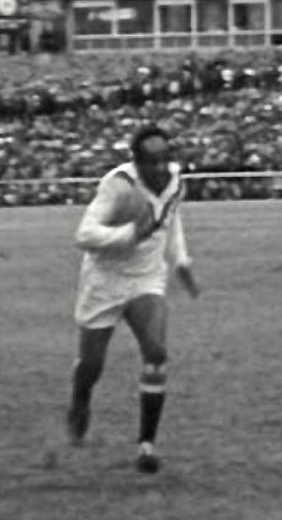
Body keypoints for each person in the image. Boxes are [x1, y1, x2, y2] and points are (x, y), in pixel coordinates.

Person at [68, 124, 200, 474]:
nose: (160, 168)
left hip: (146, 278)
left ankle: (146, 445)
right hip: (104, 281)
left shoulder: (175, 182)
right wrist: (130, 233)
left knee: (156, 351)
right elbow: (84, 235)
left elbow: (172, 221)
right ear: (136, 163)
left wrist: (181, 261)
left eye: (164, 159)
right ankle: (80, 397)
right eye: (151, 161)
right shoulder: (119, 185)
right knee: (91, 366)